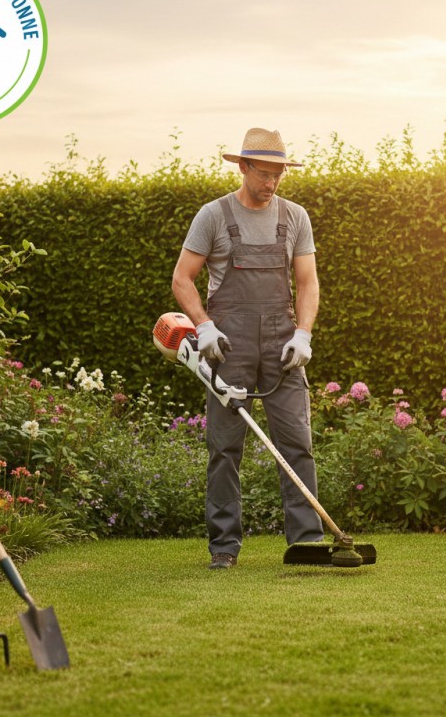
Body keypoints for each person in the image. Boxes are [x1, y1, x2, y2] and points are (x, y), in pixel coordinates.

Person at [171, 127, 324, 569]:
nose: (271, 182)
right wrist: (204, 327)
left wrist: (304, 334)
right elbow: (182, 278)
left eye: (278, 173)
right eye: (263, 172)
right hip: (227, 347)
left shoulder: (295, 217)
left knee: (296, 441)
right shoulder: (213, 216)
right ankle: (224, 547)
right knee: (225, 448)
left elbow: (307, 282)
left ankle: (307, 542)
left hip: (282, 343)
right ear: (243, 167)